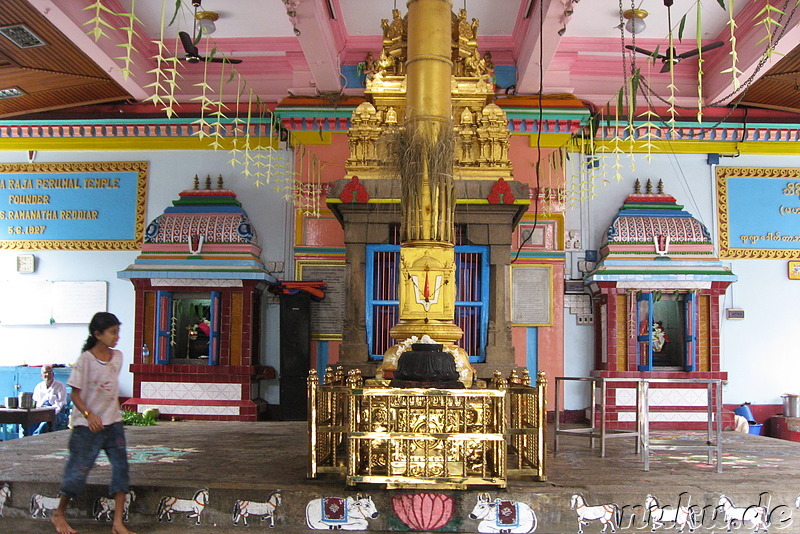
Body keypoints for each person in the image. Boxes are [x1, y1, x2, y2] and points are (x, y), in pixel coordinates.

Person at [51, 312, 136, 534]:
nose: (117, 337)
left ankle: (118, 523)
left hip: (113, 423)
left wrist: (107, 415)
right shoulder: (85, 360)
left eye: (118, 332)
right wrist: (89, 415)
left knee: (121, 469)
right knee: (78, 470)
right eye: (112, 332)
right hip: (87, 427)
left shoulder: (117, 357)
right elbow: (75, 395)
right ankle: (59, 513)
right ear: (98, 334)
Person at [25, 365, 69, 436]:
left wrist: (50, 413)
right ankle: (25, 440)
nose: (48, 374)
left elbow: (60, 403)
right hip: (41, 412)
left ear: (53, 374)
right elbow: (36, 403)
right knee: (28, 423)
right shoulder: (38, 387)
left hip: (57, 413)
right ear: (41, 375)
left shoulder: (60, 386)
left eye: (50, 372)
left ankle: (35, 438)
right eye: (45, 373)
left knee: (45, 424)